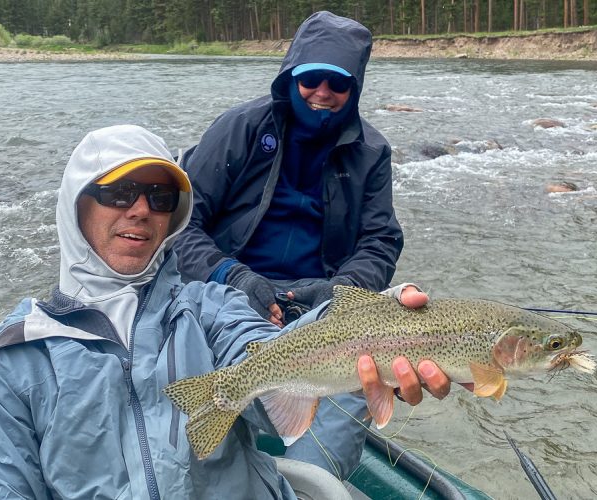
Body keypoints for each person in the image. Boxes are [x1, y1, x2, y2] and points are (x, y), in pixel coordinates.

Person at [0, 124, 450, 499]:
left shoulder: (208, 307)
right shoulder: (7, 360)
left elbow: (271, 356)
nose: (140, 210)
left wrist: (377, 319)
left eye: (160, 196)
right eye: (118, 193)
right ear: (76, 205)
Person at [173, 11, 450, 478]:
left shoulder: (371, 153)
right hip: (226, 290)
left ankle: (309, 484)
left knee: (352, 388)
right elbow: (180, 223)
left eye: (337, 84)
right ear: (291, 76)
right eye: (311, 79)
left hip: (320, 305)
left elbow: (380, 240)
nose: (322, 93)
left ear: (354, 88)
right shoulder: (240, 128)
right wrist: (233, 276)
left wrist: (339, 291)